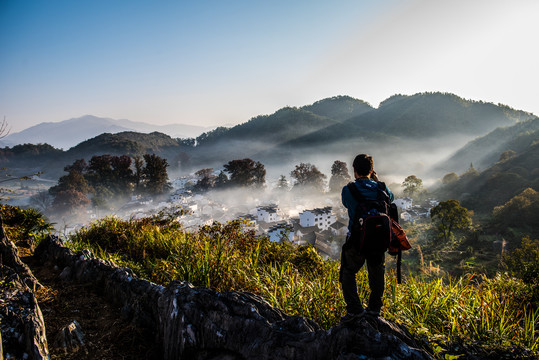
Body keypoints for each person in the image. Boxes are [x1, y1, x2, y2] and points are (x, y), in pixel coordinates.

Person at [340, 154, 394, 321]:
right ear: (372, 170)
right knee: (377, 274)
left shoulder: (348, 190)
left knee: (348, 272)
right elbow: (390, 199)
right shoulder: (382, 188)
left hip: (357, 240)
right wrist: (377, 182)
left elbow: (346, 203)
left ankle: (355, 310)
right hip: (379, 240)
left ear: (354, 171)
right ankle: (374, 309)